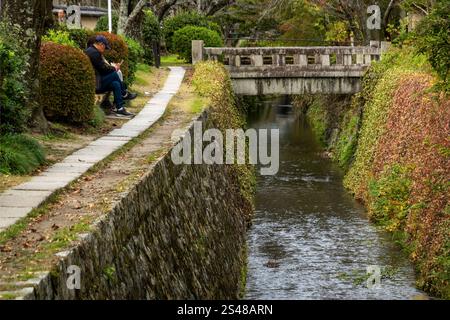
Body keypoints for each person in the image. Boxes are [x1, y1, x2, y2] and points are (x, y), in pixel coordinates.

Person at [84, 35, 137, 117]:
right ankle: (124, 94)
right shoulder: (94, 53)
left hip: (97, 81)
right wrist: (114, 68)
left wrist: (112, 67)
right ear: (101, 44)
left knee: (115, 84)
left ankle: (119, 109)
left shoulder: (92, 51)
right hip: (95, 84)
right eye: (105, 47)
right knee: (114, 74)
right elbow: (103, 69)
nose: (104, 50)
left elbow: (102, 68)